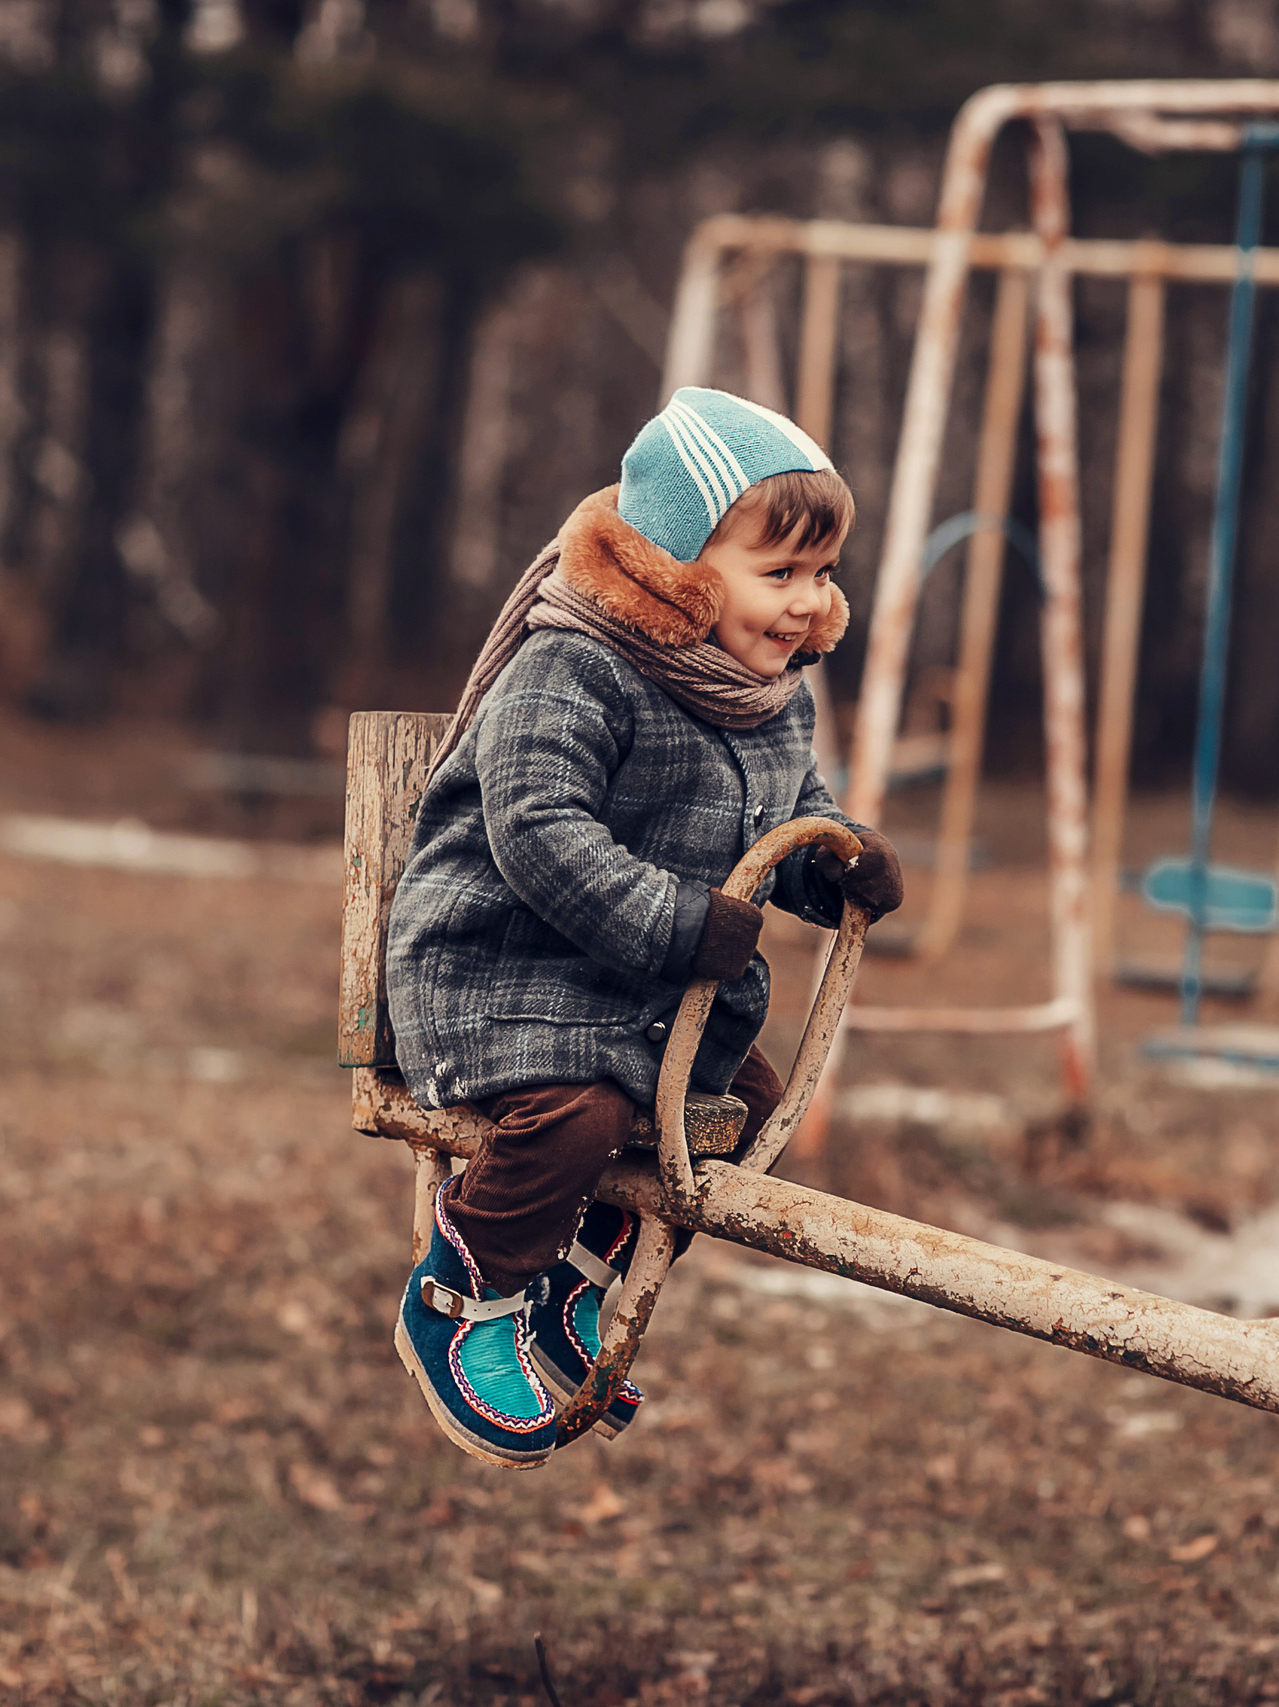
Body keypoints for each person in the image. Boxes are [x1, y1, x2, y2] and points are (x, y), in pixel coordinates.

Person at [384, 387, 903, 1469]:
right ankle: (466, 1296)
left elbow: (785, 817)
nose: (810, 603)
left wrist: (837, 865)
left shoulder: (768, 694)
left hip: (639, 988)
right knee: (578, 1116)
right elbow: (535, 828)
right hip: (504, 967)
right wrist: (676, 923)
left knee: (750, 1108)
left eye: (820, 573)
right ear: (674, 574)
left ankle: (572, 1277)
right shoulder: (571, 665)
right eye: (780, 573)